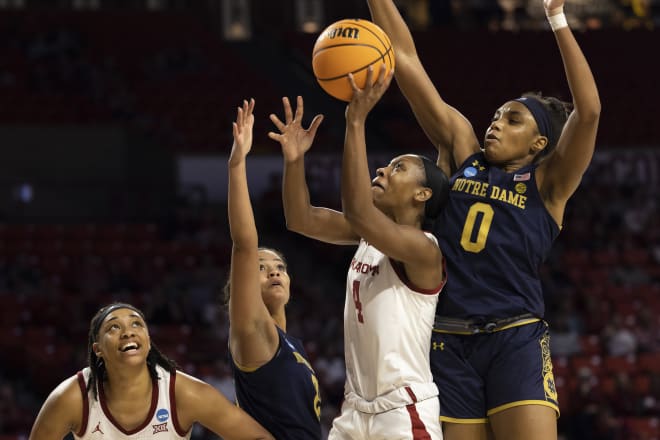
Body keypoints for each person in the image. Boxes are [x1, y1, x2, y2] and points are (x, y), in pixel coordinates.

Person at [366, 0, 601, 439]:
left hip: (516, 336)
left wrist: (557, 19)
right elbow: (406, 57)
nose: (495, 124)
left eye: (513, 120)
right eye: (496, 116)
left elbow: (588, 112)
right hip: (447, 340)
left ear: (538, 143)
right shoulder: (461, 153)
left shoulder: (548, 185)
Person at [268, 65, 449, 439]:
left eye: (398, 168)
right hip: (355, 409)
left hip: (403, 410)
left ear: (422, 194)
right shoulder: (368, 235)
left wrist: (356, 122)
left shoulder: (424, 249)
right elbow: (301, 218)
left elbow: (358, 211)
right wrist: (294, 159)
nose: (383, 169)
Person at [28, 302, 274, 440]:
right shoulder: (72, 397)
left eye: (137, 323)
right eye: (114, 327)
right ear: (98, 349)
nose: (128, 331)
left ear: (147, 338)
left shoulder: (182, 392)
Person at [225, 98, 322, 439]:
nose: (274, 272)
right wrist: (237, 166)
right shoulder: (253, 333)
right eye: (262, 268)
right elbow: (244, 245)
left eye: (280, 266)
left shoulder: (290, 343)